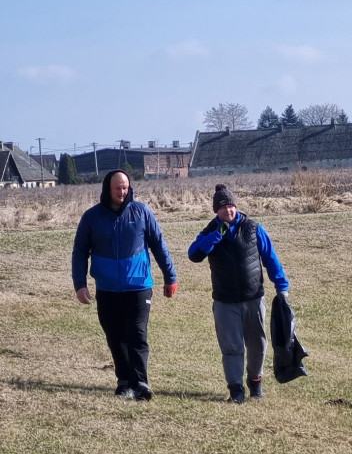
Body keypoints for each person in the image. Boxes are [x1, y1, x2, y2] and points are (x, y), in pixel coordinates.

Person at [72, 169, 177, 400]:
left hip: (138, 286)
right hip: (107, 288)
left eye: (125, 188)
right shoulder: (92, 217)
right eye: (118, 188)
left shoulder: (141, 212)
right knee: (115, 336)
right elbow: (80, 251)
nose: (122, 192)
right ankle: (124, 381)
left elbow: (158, 244)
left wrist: (170, 277)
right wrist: (80, 284)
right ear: (107, 189)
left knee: (137, 333)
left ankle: (141, 383)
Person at [188, 184, 289, 404]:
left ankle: (255, 381)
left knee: (258, 344)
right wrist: (216, 235)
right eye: (223, 208)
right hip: (225, 302)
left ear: (236, 206)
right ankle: (236, 390)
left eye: (231, 206)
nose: (228, 211)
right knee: (231, 347)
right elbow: (194, 254)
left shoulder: (253, 228)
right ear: (216, 211)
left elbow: (270, 258)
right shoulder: (209, 231)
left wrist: (282, 286)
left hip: (254, 298)